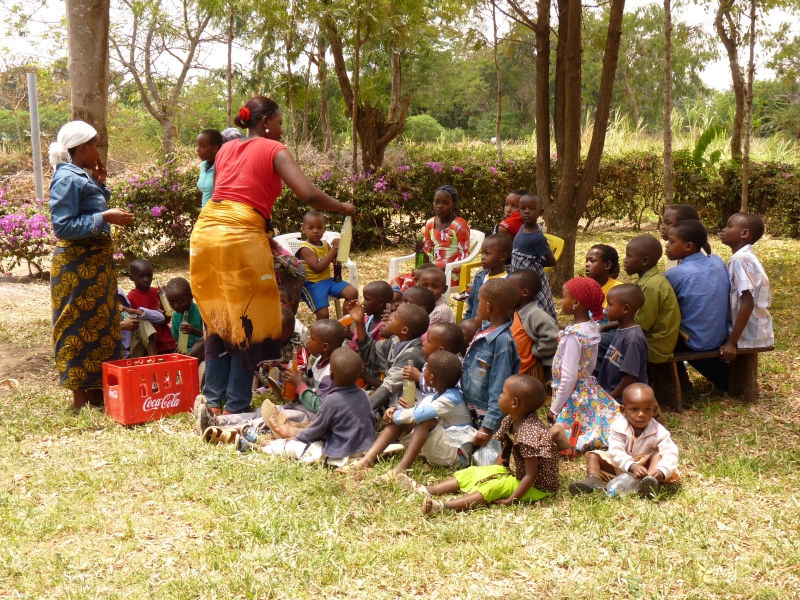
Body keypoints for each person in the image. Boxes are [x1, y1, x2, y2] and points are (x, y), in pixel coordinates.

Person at [190, 96, 355, 417]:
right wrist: (343, 207)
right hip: (239, 236)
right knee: (247, 321)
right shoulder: (273, 149)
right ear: (265, 122)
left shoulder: (225, 149)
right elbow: (308, 194)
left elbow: (229, 193)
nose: (281, 130)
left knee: (219, 319)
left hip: (206, 233)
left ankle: (211, 402)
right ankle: (235, 408)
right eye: (279, 123)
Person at [48, 121, 134, 410]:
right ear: (82, 147)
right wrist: (106, 218)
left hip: (95, 266)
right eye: (96, 146)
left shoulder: (81, 175)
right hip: (76, 267)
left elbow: (88, 208)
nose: (99, 151)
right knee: (75, 326)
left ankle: (97, 389)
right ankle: (79, 397)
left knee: (101, 326)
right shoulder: (66, 178)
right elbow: (63, 226)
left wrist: (99, 183)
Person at [419, 375, 559, 514]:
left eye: (503, 392)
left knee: (493, 487)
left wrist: (510, 500)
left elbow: (530, 476)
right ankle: (428, 489)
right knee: (474, 472)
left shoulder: (529, 434)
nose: (499, 395)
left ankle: (443, 507)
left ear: (514, 403)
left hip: (536, 485)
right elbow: (506, 450)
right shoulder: (511, 420)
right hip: (517, 472)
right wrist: (490, 472)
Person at [196, 317, 343, 434]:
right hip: (302, 406)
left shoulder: (331, 373)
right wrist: (293, 377)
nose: (308, 339)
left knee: (271, 419)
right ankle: (218, 420)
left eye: (313, 338)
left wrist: (300, 385)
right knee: (261, 412)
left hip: (314, 416)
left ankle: (221, 429)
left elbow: (322, 407)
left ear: (325, 346)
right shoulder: (319, 360)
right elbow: (312, 385)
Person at [343, 350, 470, 478]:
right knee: (405, 422)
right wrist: (397, 409)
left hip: (457, 456)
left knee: (424, 421)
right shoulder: (441, 394)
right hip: (445, 448)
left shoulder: (451, 398)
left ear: (431, 378)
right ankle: (366, 461)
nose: (422, 372)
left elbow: (420, 415)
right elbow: (421, 413)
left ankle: (400, 470)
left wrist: (396, 415)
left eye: (425, 369)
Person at [264, 348, 376, 467]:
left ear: (331, 375)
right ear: (360, 374)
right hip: (368, 448)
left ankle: (271, 446)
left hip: (343, 452)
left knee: (292, 446)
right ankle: (291, 429)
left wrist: (297, 438)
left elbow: (317, 431)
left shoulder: (331, 400)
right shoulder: (364, 394)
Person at [549, 278, 621, 455]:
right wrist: (585, 380)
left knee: (560, 430)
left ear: (576, 302)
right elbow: (591, 363)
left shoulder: (573, 335)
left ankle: (571, 443)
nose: (561, 301)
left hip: (570, 392)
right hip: (584, 386)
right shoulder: (592, 327)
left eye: (564, 297)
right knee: (588, 417)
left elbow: (568, 377)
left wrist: (555, 408)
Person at [569, 383, 679, 499]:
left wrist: (661, 471)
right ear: (623, 410)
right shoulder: (619, 427)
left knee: (658, 454)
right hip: (622, 466)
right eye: (634, 409)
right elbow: (616, 451)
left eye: (647, 409)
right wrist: (632, 466)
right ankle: (593, 479)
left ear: (654, 410)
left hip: (647, 470)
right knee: (593, 456)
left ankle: (649, 482)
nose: (641, 414)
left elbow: (670, 452)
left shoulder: (659, 431)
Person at [665, 220, 731, 390]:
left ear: (688, 246)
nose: (667, 245)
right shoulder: (717, 261)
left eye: (671, 242)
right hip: (719, 336)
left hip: (694, 342)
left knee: (658, 334)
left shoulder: (674, 275)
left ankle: (679, 383)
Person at [461, 278, 521, 447]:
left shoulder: (502, 342)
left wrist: (488, 426)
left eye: (479, 301)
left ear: (488, 306)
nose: (476, 305)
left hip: (486, 412)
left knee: (487, 455)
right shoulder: (484, 331)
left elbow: (499, 385)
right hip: (473, 406)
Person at [350, 300, 429, 411]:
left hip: (408, 406)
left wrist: (362, 411)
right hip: (393, 400)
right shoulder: (396, 340)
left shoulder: (412, 355)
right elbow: (371, 353)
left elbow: (388, 387)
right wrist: (360, 322)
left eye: (395, 317)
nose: (390, 317)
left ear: (404, 330)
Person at [718, 213, 773, 360]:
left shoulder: (740, 259)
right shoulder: (746, 257)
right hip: (751, 331)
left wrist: (731, 343)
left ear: (744, 234)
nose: (723, 229)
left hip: (746, 336)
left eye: (729, 226)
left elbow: (748, 303)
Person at [623, 236, 681, 366]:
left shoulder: (652, 286)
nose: (624, 260)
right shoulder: (650, 280)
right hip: (650, 339)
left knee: (603, 343)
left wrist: (606, 327)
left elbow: (640, 325)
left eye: (629, 256)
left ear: (644, 261)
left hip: (655, 346)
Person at [296, 211, 359, 320]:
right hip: (312, 284)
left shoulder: (325, 244)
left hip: (328, 281)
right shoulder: (305, 248)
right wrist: (333, 250)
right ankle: (321, 331)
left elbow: (335, 259)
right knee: (323, 314)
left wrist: (337, 244)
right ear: (303, 229)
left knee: (352, 293)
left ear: (324, 229)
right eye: (311, 228)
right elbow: (318, 268)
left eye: (319, 228)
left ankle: (345, 326)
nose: (315, 231)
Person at [511, 193, 557, 322]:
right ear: (518, 211)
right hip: (518, 277)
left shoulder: (537, 237)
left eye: (532, 208)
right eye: (523, 208)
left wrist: (534, 263)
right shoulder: (522, 228)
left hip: (531, 280)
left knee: (536, 306)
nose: (527, 211)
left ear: (540, 212)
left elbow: (551, 261)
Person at [597, 285, 649, 399]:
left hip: (623, 399)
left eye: (610, 304)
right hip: (609, 393)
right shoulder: (622, 330)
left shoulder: (633, 339)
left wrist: (609, 399)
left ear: (625, 309)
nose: (606, 308)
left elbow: (630, 378)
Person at [507, 269, 558, 384]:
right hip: (516, 369)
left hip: (529, 370)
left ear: (524, 292)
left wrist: (536, 352)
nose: (508, 292)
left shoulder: (534, 314)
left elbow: (553, 337)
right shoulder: (515, 310)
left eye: (511, 288)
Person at [413, 186, 471, 287]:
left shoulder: (459, 225)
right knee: (401, 281)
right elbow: (429, 257)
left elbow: (462, 261)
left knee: (415, 286)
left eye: (445, 203)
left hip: (451, 274)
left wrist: (434, 271)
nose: (439, 206)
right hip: (431, 270)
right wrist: (421, 251)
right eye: (437, 202)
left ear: (454, 205)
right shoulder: (430, 223)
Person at [127, 259, 177, 355]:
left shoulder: (158, 293)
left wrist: (168, 298)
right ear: (131, 278)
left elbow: (167, 318)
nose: (146, 279)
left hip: (166, 341)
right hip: (148, 345)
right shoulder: (130, 298)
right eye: (141, 276)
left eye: (149, 276)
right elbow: (136, 325)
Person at [402, 322, 464, 396]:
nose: (423, 343)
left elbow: (453, 391)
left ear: (441, 350)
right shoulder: (430, 361)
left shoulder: (455, 366)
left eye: (428, 341)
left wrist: (420, 377)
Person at [464, 234, 512, 321]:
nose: (482, 257)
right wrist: (466, 323)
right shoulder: (480, 278)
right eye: (482, 253)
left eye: (487, 253)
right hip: (475, 326)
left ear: (502, 257)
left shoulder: (510, 282)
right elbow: (471, 308)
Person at [661, 203, 713, 270]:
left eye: (667, 223)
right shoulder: (674, 248)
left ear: (685, 225)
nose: (663, 227)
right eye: (663, 223)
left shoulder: (700, 253)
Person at [165, 277, 204, 359]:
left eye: (180, 301)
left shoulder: (201, 312)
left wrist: (194, 331)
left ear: (190, 296)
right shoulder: (175, 316)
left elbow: (209, 338)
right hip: (186, 353)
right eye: (171, 302)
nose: (176, 306)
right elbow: (177, 339)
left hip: (203, 350)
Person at [585, 244, 621, 309]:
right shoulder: (581, 287)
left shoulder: (618, 290)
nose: (587, 264)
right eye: (586, 261)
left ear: (607, 265)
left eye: (592, 261)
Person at [196, 129, 224, 208]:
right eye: (198, 146)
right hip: (205, 212)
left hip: (217, 212)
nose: (197, 150)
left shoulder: (222, 167)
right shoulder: (204, 165)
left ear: (214, 148)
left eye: (202, 146)